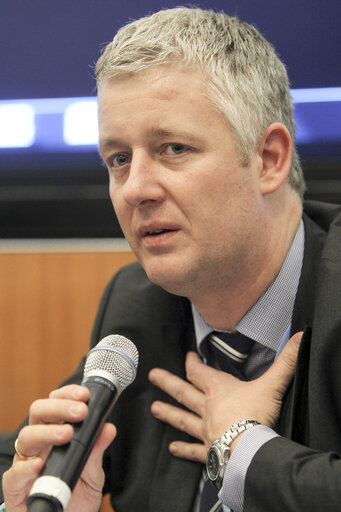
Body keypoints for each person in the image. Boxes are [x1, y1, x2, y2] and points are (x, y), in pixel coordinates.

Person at [1, 6, 341, 512]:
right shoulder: (137, 305)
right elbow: (25, 458)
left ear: (268, 159)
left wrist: (241, 447)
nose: (134, 189)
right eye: (119, 159)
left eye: (174, 149)